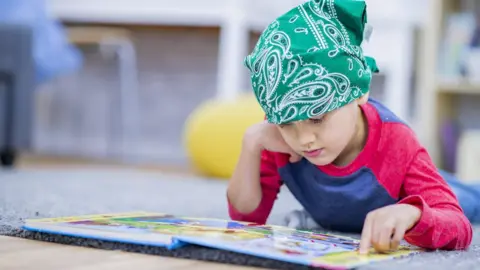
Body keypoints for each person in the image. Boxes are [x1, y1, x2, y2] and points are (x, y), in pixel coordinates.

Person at [226, 0, 477, 255]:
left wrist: (413, 213)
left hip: (432, 191)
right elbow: (246, 219)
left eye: (317, 117)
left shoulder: (398, 143)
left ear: (360, 93)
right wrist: (251, 143)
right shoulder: (279, 137)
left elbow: (457, 224)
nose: (304, 139)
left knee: (469, 196)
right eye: (286, 122)